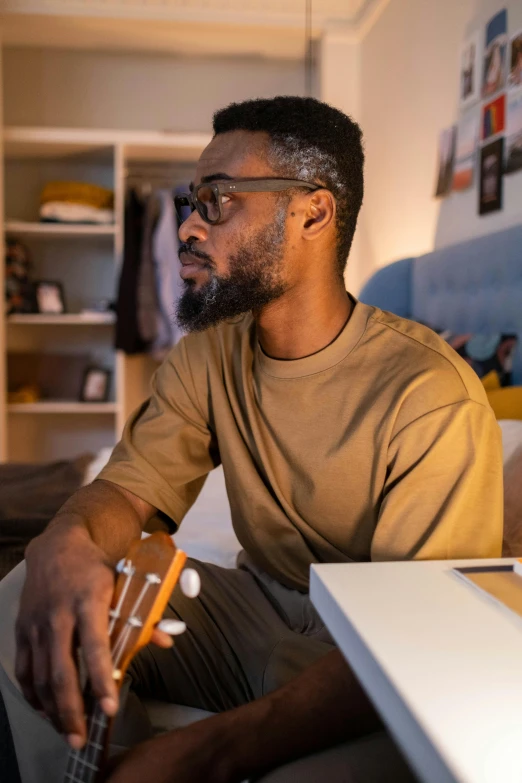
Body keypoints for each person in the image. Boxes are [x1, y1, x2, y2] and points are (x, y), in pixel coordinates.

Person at [0, 96, 502, 783]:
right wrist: (65, 541)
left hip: (361, 649)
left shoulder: (427, 392)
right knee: (26, 595)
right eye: (190, 200)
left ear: (313, 213)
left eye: (216, 200)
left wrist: (209, 749)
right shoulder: (210, 355)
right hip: (251, 609)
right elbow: (127, 489)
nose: (187, 227)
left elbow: (419, 640)